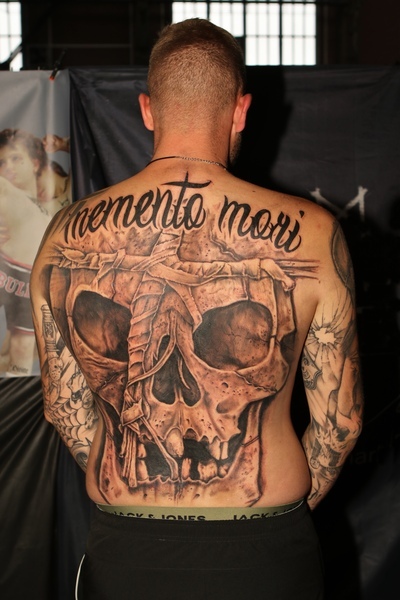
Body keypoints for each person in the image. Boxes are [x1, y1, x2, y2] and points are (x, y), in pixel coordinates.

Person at [30, 18, 363, 600]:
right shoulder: (312, 235)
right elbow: (341, 422)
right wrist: (277, 515)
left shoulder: (65, 236)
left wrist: (131, 477)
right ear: (241, 110)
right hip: (267, 552)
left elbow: (63, 406)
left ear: (147, 109)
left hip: (125, 548)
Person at [0, 128, 51, 375]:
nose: (8, 166)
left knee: (19, 356)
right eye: (2, 162)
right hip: (9, 269)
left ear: (35, 163)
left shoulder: (49, 209)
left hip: (27, 279)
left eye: (15, 158)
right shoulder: (4, 191)